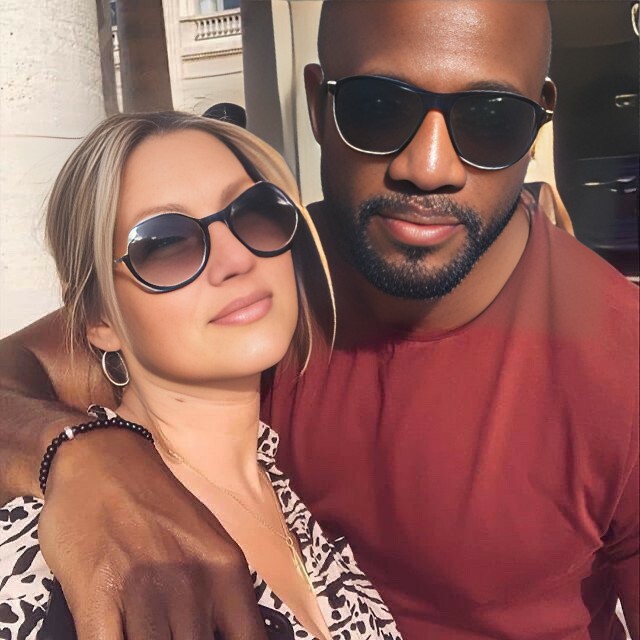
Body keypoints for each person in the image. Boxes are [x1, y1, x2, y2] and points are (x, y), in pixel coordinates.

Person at [0, 1, 637, 638]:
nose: (429, 168)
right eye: (378, 106)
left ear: (539, 119)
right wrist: (83, 457)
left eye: (491, 118)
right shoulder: (277, 267)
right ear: (317, 104)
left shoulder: (621, 361)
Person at [0, 111, 401, 640]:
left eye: (254, 211)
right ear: (99, 319)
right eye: (165, 243)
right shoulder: (65, 550)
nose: (237, 258)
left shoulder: (281, 491)